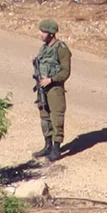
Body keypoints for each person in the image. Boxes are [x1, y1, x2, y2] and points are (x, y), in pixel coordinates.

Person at [32, 18, 71, 161]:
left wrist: (51, 80)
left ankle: (56, 148)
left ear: (51, 33)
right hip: (42, 88)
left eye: (43, 31)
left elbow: (66, 71)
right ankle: (47, 145)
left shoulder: (61, 49)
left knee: (56, 117)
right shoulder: (44, 48)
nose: (40, 34)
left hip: (54, 89)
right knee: (45, 117)